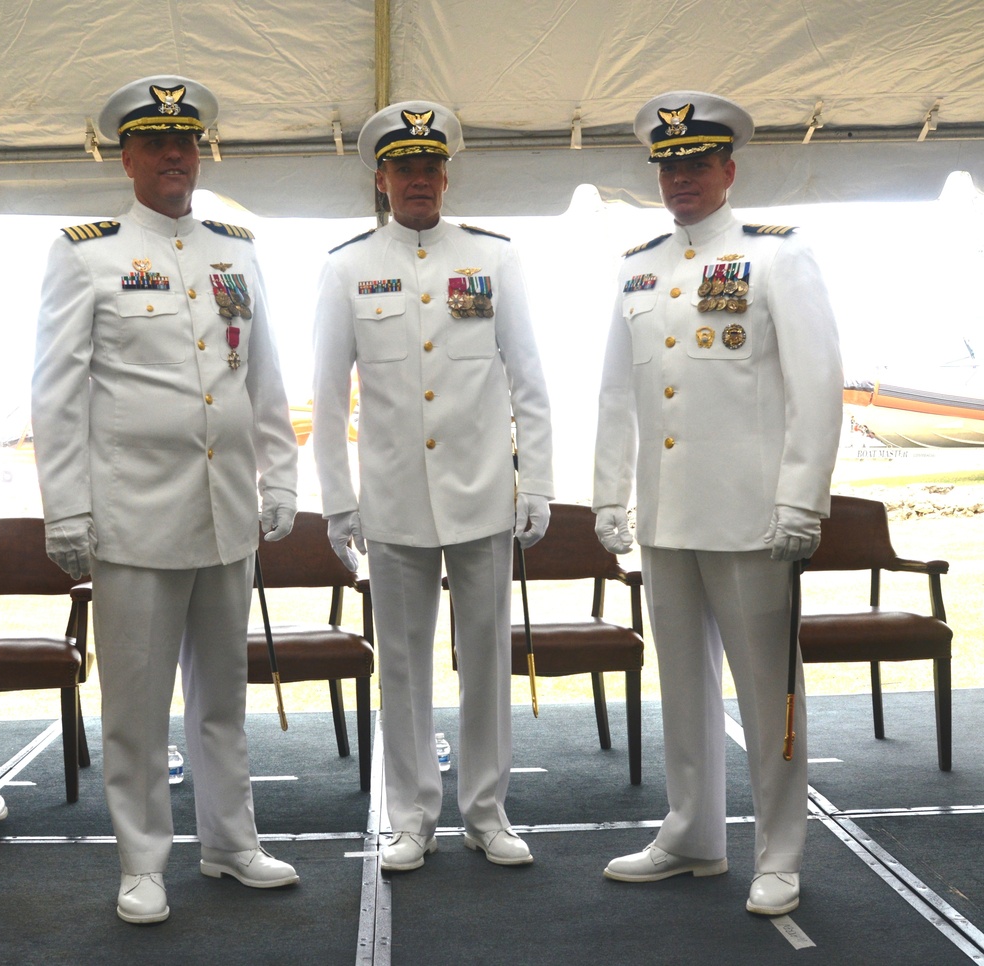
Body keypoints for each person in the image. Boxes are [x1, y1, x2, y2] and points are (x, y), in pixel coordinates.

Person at [31, 76, 300, 924]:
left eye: (185, 142)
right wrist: (66, 508)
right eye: (155, 142)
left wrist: (282, 474)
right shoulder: (88, 252)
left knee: (223, 697)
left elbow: (263, 376)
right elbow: (57, 392)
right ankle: (142, 862)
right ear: (128, 157)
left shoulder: (236, 249)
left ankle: (230, 843)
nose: (174, 155)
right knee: (138, 707)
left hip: (224, 511)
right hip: (134, 517)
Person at [593, 91, 842, 915]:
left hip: (750, 520)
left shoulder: (779, 255)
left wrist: (801, 499)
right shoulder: (637, 266)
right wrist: (609, 496)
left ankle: (782, 852)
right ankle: (693, 832)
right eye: (668, 165)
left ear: (728, 169)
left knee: (769, 687)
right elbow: (615, 396)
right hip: (667, 517)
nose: (681, 178)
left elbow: (817, 387)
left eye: (697, 163)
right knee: (684, 688)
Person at [312, 101, 554, 871]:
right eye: (402, 168)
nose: (418, 180)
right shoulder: (347, 266)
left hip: (482, 492)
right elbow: (326, 395)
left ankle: (487, 811)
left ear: (446, 174)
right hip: (391, 499)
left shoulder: (497, 257)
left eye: (429, 166)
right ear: (380, 179)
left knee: (486, 659)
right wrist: (338, 500)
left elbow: (530, 380)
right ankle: (411, 816)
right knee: (404, 666)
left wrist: (537, 482)